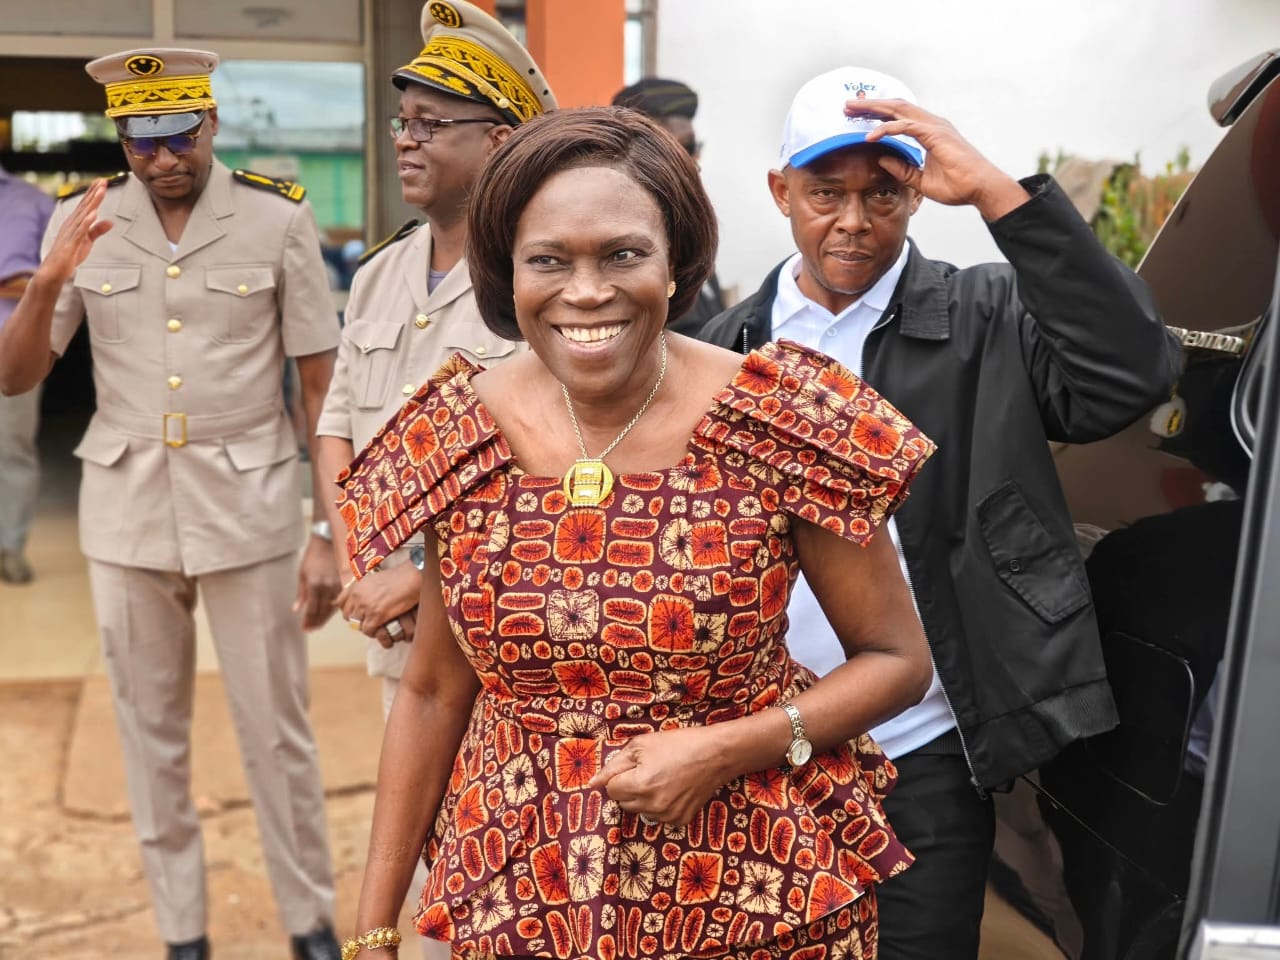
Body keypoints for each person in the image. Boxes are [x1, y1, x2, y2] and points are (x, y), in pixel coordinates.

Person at [337, 105, 936, 960]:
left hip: (752, 892)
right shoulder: (458, 431)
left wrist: (726, 748)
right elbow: (433, 691)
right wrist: (373, 929)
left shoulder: (780, 417)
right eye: (549, 260)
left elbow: (897, 660)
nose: (586, 291)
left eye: (622, 254)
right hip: (520, 890)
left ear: (676, 260)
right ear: (506, 270)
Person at [698, 66, 1181, 959]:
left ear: (918, 194)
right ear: (780, 191)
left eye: (883, 193)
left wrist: (997, 192)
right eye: (826, 192)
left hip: (919, 749)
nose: (854, 220)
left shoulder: (985, 316)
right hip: (757, 750)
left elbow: (1131, 371)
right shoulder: (723, 352)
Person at [0, 48, 344, 960]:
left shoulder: (276, 218)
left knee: (277, 731)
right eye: (141, 142)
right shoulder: (82, 218)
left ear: (211, 124)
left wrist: (329, 529)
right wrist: (47, 281)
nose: (163, 160)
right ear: (121, 138)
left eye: (180, 137)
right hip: (127, 507)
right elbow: (15, 376)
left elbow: (321, 389)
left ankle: (310, 920)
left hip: (252, 503)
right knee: (149, 735)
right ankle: (182, 933)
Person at [314, 2, 553, 955]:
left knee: (496, 878)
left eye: (430, 124)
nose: (405, 140)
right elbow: (337, 426)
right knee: (422, 867)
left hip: (497, 650)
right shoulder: (383, 272)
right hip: (396, 638)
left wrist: (419, 581)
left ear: (498, 141)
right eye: (401, 122)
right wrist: (355, 558)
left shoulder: (536, 280)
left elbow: (561, 471)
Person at [612, 76, 726, 336]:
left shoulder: (687, 231)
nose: (693, 163)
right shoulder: (620, 242)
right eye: (677, 151)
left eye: (692, 148)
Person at [0, 165, 54, 584]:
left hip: (14, 347)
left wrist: (26, 284)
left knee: (12, 450)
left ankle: (10, 549)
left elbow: (66, 272)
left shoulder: (35, 201)